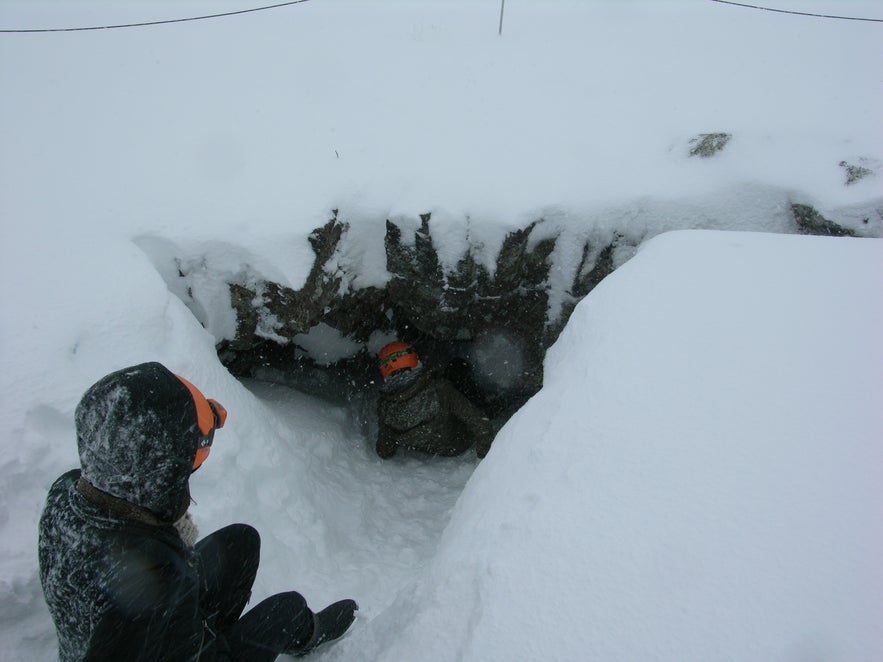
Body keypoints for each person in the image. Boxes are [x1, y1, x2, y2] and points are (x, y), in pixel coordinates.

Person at [38, 361, 357, 661]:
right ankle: (307, 633)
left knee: (241, 541)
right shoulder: (157, 572)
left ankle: (206, 631)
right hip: (165, 640)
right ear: (159, 472)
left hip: (148, 633)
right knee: (287, 609)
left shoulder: (68, 494)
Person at [375, 341, 495, 459]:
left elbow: (384, 451)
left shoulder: (385, 406)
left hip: (431, 449)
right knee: (457, 368)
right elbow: (481, 424)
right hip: (457, 444)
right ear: (412, 359)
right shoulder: (440, 389)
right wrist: (482, 456)